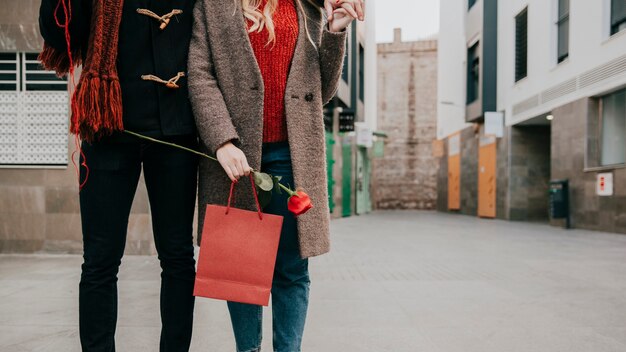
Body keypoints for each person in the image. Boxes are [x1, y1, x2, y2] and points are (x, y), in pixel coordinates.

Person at [187, 0, 361, 350]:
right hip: (237, 157)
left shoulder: (306, 7)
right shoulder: (215, 5)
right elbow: (200, 73)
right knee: (242, 270)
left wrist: (336, 30)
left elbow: (321, 91)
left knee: (292, 271)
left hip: (293, 156)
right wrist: (222, 140)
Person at [39, 1, 198, 350]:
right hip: (107, 128)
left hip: (176, 131)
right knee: (99, 259)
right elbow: (58, 34)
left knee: (178, 257)